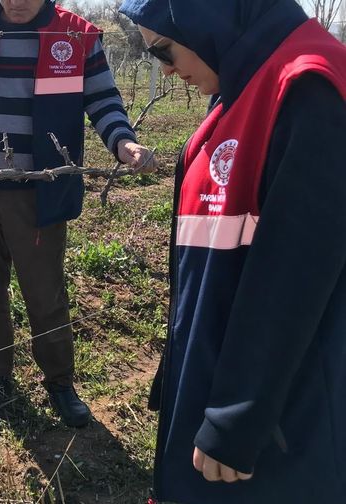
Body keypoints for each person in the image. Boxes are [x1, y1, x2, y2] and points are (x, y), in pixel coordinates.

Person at [117, 1, 346, 502]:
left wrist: (236, 418)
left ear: (205, 16)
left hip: (278, 433)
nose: (166, 70)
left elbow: (292, 280)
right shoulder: (242, 83)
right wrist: (177, 371)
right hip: (219, 382)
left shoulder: (308, 91)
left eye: (164, 50)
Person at [0, 0, 155, 427]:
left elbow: (103, 99)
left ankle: (59, 382)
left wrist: (123, 143)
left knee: (45, 293)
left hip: (38, 194)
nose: (16, 2)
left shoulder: (75, 36)